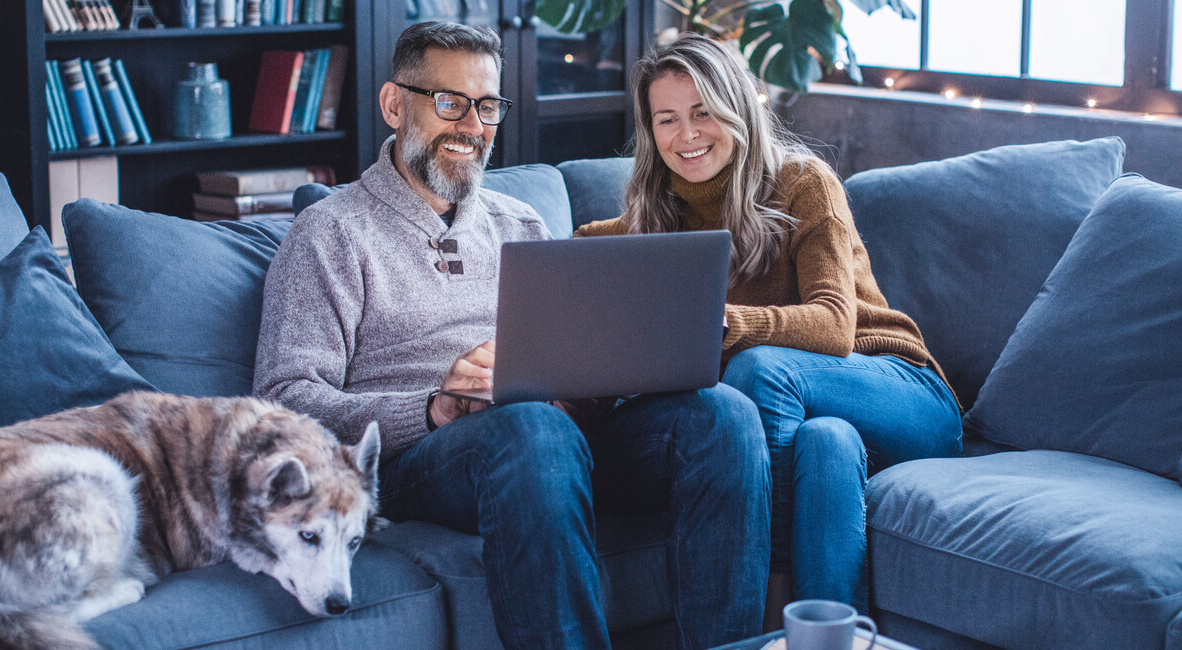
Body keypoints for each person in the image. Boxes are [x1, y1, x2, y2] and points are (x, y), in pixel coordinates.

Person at [252, 21, 770, 650]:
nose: (473, 127)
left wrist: (592, 385)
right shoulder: (329, 233)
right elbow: (284, 402)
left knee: (723, 415)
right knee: (532, 430)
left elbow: (567, 360)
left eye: (488, 105)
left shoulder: (519, 222)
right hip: (424, 461)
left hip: (552, 440)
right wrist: (432, 408)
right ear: (394, 105)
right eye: (450, 103)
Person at [574, 34, 963, 622]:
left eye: (703, 111)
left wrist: (728, 322)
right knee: (826, 443)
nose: (688, 135)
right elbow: (584, 254)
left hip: (901, 391)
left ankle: (764, 602)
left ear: (735, 107)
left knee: (761, 368)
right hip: (818, 420)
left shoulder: (803, 183)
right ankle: (827, 635)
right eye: (667, 119)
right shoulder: (655, 223)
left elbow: (835, 325)